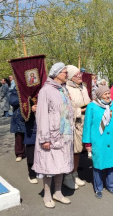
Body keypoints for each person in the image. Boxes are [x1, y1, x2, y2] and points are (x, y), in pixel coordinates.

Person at [32, 63, 74, 208]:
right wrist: (44, 138)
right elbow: (42, 115)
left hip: (65, 135)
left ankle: (58, 192)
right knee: (49, 167)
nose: (67, 75)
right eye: (65, 72)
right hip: (51, 135)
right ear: (56, 74)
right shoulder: (46, 90)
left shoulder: (63, 89)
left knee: (61, 165)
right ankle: (47, 194)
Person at [82, 85, 113, 199]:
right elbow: (87, 126)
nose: (108, 96)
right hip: (98, 141)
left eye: (109, 93)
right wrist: (87, 143)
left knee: (111, 164)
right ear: (99, 95)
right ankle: (98, 188)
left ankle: (111, 186)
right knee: (98, 165)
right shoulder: (92, 106)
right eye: (105, 94)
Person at [64, 65, 91, 190]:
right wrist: (81, 110)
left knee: (79, 150)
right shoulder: (66, 89)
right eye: (76, 75)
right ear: (69, 77)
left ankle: (75, 174)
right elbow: (65, 109)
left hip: (84, 122)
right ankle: (67, 177)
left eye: (80, 74)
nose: (80, 76)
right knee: (72, 151)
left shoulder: (83, 87)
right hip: (73, 123)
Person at [9, 87, 26, 162]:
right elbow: (12, 101)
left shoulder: (33, 88)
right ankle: (19, 153)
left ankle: (32, 153)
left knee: (31, 136)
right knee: (19, 136)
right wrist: (22, 97)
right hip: (19, 116)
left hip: (31, 116)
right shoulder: (16, 90)